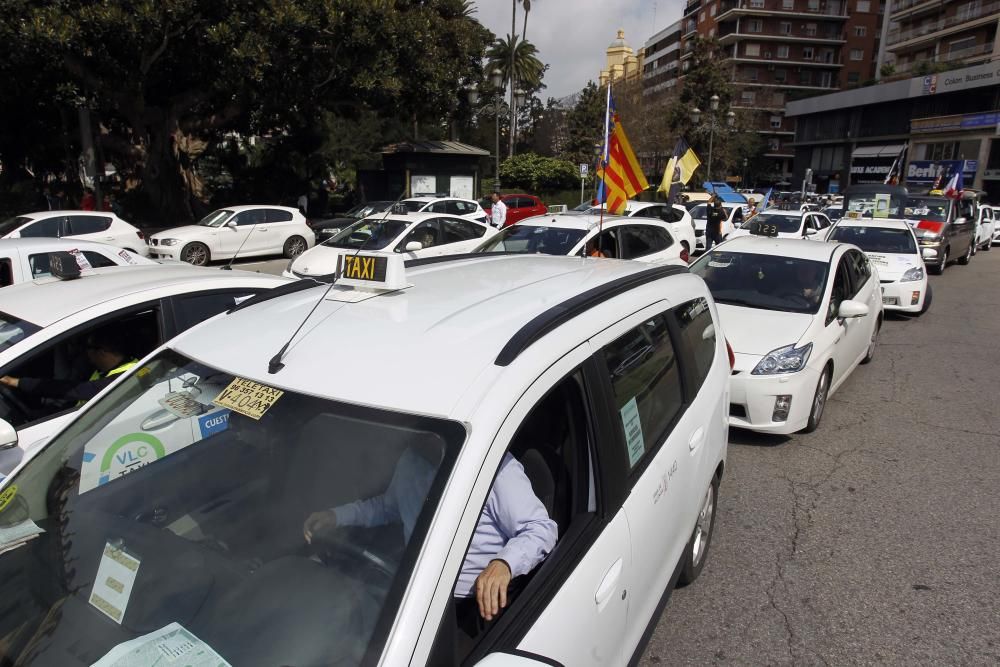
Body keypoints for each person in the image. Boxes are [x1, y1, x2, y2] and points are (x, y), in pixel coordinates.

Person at [302, 450, 557, 629]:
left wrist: (504, 564)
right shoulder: (411, 458)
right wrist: (337, 516)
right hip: (411, 589)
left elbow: (541, 529)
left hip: (470, 606)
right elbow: (388, 506)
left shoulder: (495, 467)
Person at [0, 328, 138, 404]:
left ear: (102, 352)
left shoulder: (124, 377)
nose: (84, 353)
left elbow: (73, 390)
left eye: (87, 348)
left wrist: (15, 381)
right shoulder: (105, 370)